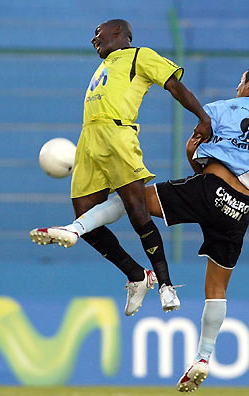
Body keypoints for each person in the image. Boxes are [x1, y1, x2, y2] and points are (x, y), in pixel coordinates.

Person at [30, 60, 249, 392]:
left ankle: (76, 229)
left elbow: (201, 164)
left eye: (242, 81)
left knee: (133, 200)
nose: (239, 86)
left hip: (209, 189)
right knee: (216, 289)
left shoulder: (220, 110)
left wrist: (189, 151)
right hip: (240, 208)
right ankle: (202, 358)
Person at [30, 19, 212, 316]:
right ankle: (137, 276)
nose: (94, 40)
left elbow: (174, 86)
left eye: (97, 34)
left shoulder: (140, 55)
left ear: (119, 33)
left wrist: (202, 118)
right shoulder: (105, 64)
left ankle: (165, 284)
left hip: (117, 135)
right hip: (88, 139)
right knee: (85, 223)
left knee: (137, 212)